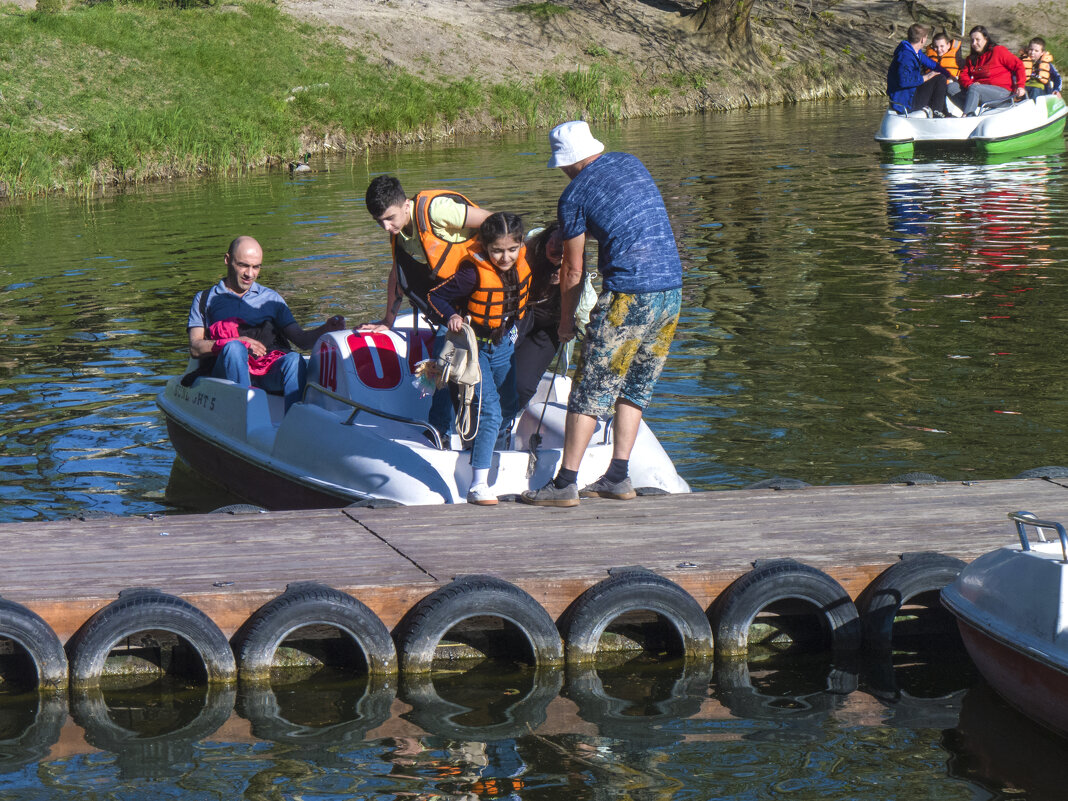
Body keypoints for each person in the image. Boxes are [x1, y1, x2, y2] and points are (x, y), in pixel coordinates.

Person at [521, 121, 683, 508]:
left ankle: (564, 484)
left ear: (568, 162)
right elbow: (625, 220)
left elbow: (574, 270)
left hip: (630, 295)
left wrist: (565, 322)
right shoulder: (630, 162)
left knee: (590, 388)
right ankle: (617, 475)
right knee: (636, 384)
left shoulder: (574, 193)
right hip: (672, 290)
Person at [361, 175, 493, 441]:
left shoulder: (436, 210)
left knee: (445, 360)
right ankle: (444, 431)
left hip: (478, 291)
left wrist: (494, 273)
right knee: (442, 363)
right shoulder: (399, 234)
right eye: (379, 222)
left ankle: (448, 431)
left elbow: (494, 222)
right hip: (450, 303)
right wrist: (388, 321)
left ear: (404, 204)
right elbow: (396, 275)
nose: (386, 227)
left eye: (390, 218)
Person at [427, 212, 531, 506]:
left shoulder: (523, 261)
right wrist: (452, 316)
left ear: (520, 243)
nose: (505, 257)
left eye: (512, 249)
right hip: (474, 349)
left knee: (510, 403)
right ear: (485, 246)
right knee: (491, 412)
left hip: (504, 345)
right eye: (497, 250)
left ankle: (481, 447)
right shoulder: (472, 273)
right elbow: (436, 296)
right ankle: (478, 485)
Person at [187, 236, 346, 412]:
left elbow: (302, 341)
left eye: (256, 267)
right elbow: (195, 348)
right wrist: (238, 341)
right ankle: (246, 415)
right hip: (225, 372)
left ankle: (295, 422)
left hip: (266, 371)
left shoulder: (271, 299)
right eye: (243, 265)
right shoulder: (205, 299)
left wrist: (326, 328)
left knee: (294, 359)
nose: (250, 274)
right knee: (234, 348)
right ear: (227, 260)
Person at [957, 25, 1027, 115]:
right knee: (952, 87)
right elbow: (963, 75)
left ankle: (966, 115)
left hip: (1003, 93)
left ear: (985, 39)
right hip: (978, 92)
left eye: (977, 40)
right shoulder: (971, 59)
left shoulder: (998, 51)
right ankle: (971, 114)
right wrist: (970, 84)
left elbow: (1019, 65)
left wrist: (1021, 85)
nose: (974, 43)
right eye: (972, 40)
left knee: (975, 88)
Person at [886, 23, 952, 117]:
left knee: (939, 75)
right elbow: (903, 81)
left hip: (909, 95)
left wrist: (949, 75)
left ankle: (943, 112)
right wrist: (927, 76)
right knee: (940, 79)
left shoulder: (913, 51)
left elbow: (931, 64)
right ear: (922, 39)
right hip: (905, 102)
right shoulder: (906, 57)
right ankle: (937, 114)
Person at [926, 31, 964, 98]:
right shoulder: (928, 58)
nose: (939, 49)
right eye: (936, 47)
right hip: (933, 87)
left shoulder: (957, 57)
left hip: (950, 87)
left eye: (942, 46)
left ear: (948, 45)